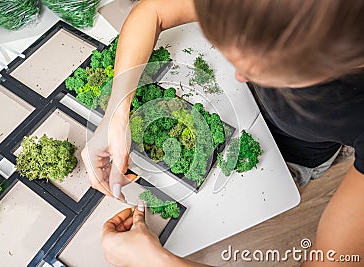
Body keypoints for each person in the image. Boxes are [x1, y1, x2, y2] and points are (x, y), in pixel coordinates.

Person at [81, 0, 364, 266]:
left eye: (263, 67)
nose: (240, 75)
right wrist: (117, 113)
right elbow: (153, 10)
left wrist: (156, 261)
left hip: (293, 156)